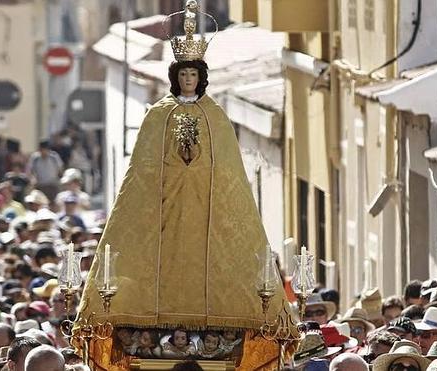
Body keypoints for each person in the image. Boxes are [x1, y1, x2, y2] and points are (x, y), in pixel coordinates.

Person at [78, 2, 293, 343]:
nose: (188, 79)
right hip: (166, 206)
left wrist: (197, 164)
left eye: (193, 74)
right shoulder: (158, 114)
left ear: (201, 77)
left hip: (206, 208)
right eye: (183, 74)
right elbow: (143, 169)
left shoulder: (215, 116)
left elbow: (228, 173)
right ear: (175, 77)